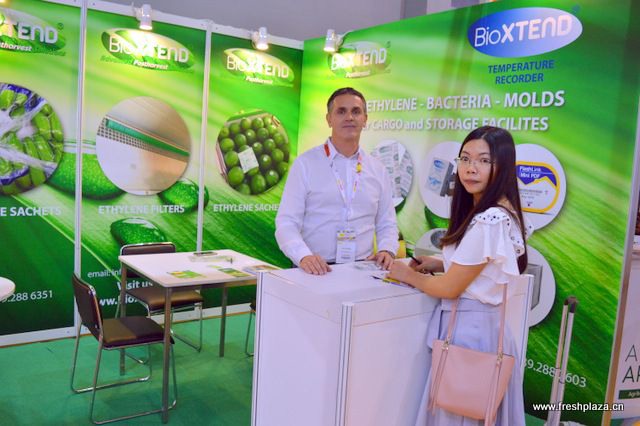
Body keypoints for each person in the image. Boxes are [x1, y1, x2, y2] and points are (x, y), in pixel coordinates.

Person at [388, 126, 533, 425]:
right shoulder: (502, 211)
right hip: (484, 332)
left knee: (458, 414)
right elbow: (484, 267)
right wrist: (440, 263)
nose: (470, 168)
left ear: (503, 166)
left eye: (483, 160)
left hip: (470, 337)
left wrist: (406, 274)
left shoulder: (490, 220)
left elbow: (449, 289)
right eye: (465, 158)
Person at [275, 87, 398, 275]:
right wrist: (303, 256)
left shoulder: (378, 169)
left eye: (356, 111)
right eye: (341, 111)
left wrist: (387, 250)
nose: (349, 117)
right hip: (315, 269)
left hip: (362, 269)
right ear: (329, 119)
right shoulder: (305, 164)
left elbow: (387, 222)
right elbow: (286, 222)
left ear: (365, 119)